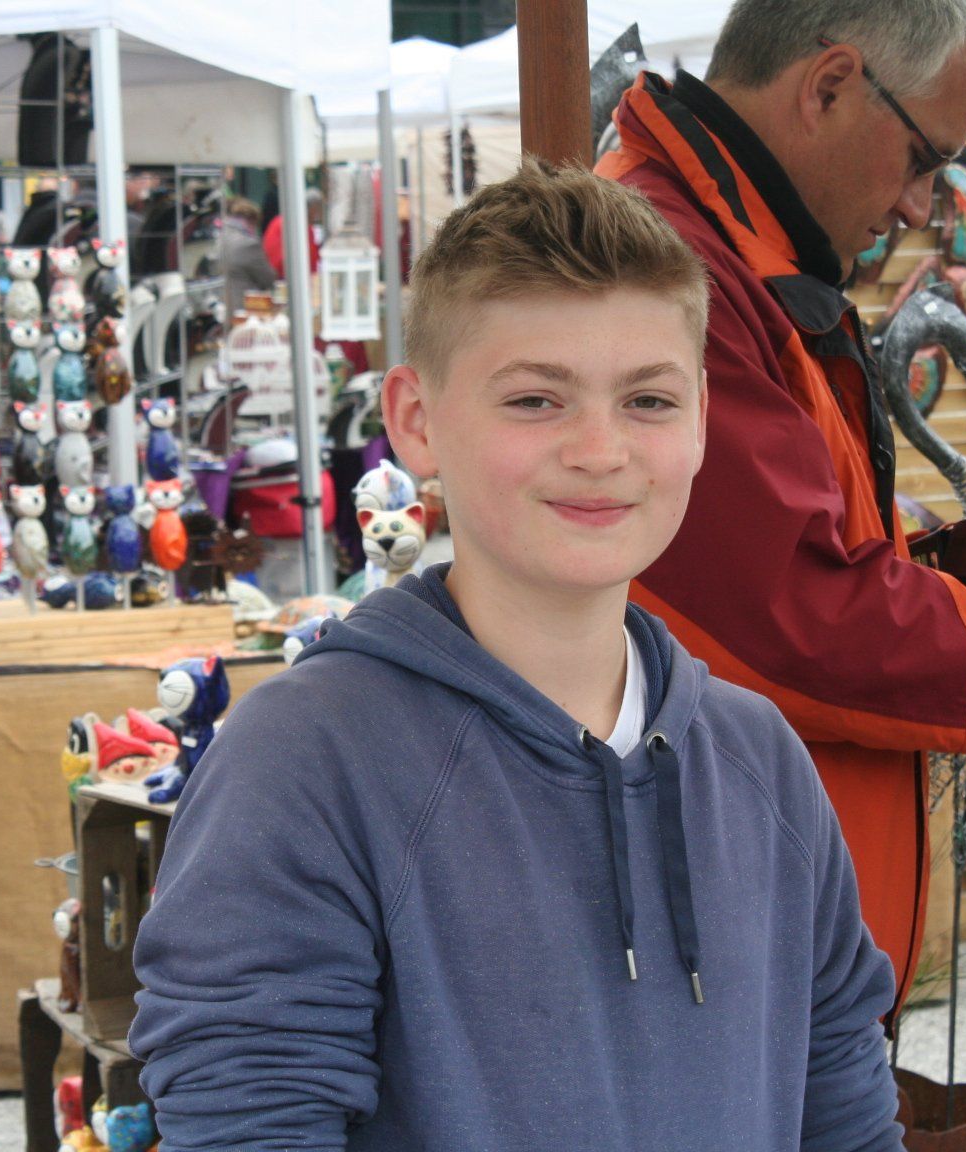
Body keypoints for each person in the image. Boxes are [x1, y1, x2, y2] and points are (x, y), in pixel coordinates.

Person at [129, 160, 904, 1150]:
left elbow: (847, 1112)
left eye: (649, 401)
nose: (600, 449)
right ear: (416, 422)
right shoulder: (303, 762)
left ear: (703, 420)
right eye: (537, 400)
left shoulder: (762, 761)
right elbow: (250, 1123)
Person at [593, 0, 966, 1030]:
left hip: (765, 950)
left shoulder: (733, 258)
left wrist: (930, 578)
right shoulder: (675, 270)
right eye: (923, 161)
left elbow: (783, 572)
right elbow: (805, 623)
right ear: (829, 87)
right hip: (725, 974)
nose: (919, 208)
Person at [216, 196, 277, 317]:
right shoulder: (248, 244)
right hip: (247, 313)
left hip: (221, 311)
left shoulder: (218, 238)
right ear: (251, 220)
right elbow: (269, 279)